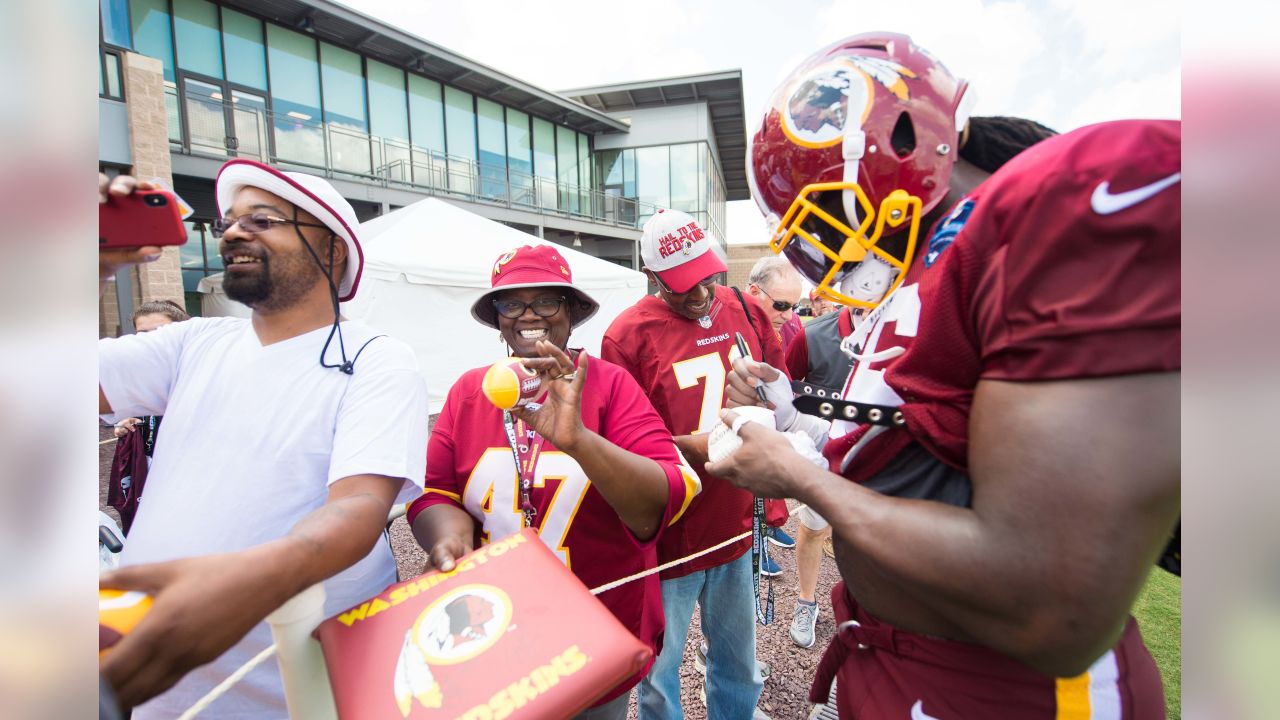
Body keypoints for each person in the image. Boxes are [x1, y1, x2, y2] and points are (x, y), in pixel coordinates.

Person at [711, 33, 1177, 719]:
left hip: (1011, 693)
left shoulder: (1046, 209)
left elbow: (1049, 609)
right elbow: (908, 447)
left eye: (827, 212)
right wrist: (783, 408)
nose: (831, 249)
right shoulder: (929, 265)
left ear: (896, 150)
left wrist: (798, 479)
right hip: (906, 666)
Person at [97, 161, 429, 717]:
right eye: (229, 221)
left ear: (332, 252)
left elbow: (359, 507)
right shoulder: (193, 343)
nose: (232, 232)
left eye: (263, 219)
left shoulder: (377, 359)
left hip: (289, 695)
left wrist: (243, 583)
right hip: (150, 693)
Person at [408, 244, 700, 719]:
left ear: (571, 312)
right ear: (497, 317)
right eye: (512, 303)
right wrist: (450, 544)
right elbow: (436, 490)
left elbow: (661, 502)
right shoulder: (468, 390)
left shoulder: (611, 385)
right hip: (493, 624)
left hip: (597, 628)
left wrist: (580, 441)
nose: (529, 315)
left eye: (546, 301)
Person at [601, 209, 786, 720]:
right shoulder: (628, 335)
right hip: (671, 531)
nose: (701, 293)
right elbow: (624, 447)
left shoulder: (744, 308)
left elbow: (781, 394)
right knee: (660, 675)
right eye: (684, 284)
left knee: (740, 663)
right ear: (654, 276)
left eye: (706, 275)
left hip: (733, 519)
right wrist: (702, 446)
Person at [107, 300, 190, 534]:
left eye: (163, 333)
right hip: (153, 482)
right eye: (144, 335)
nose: (154, 342)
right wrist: (127, 427)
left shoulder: (202, 373)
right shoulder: (141, 379)